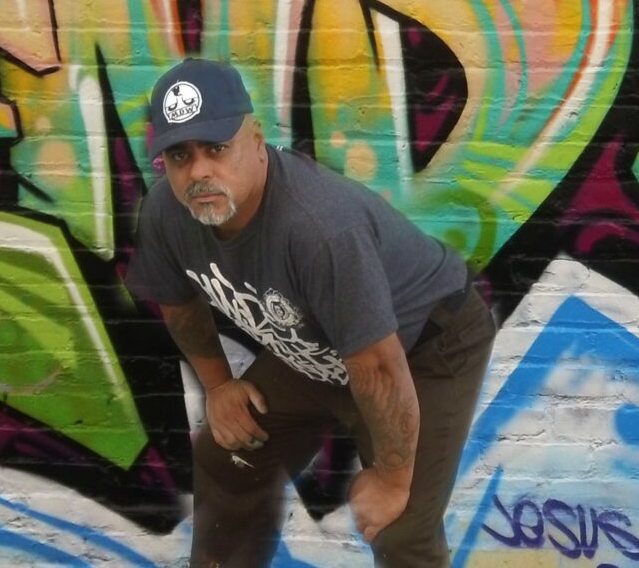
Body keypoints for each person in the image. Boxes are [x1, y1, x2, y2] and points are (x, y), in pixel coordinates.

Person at [127, 57, 494, 567]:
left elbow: (378, 367)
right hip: (320, 349)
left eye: (216, 148)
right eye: (180, 155)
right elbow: (180, 305)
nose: (199, 171)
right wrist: (219, 387)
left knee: (399, 528)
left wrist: (392, 480)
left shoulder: (318, 229)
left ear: (256, 140)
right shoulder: (167, 213)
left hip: (422, 347)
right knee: (227, 454)